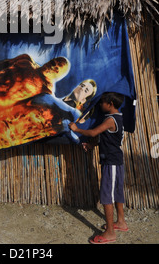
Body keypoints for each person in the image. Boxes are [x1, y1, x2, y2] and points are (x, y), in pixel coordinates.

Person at [69, 92, 128, 244]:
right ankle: (121, 222)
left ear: (110, 103)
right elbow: (104, 138)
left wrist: (77, 129)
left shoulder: (110, 120)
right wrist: (91, 144)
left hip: (111, 161)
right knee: (117, 192)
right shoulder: (117, 118)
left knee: (107, 196)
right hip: (115, 160)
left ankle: (110, 233)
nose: (101, 105)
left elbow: (94, 132)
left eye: (102, 102)